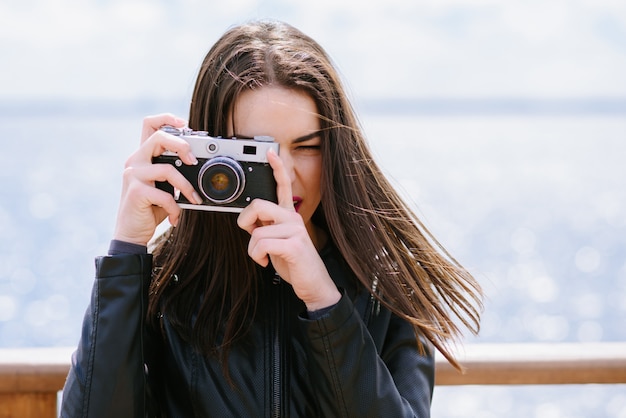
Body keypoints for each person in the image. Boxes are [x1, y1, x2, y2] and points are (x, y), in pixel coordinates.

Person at [61, 19, 482, 417]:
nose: (284, 175)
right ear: (211, 152)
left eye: (307, 147)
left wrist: (324, 300)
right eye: (257, 152)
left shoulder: (386, 284)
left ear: (336, 149)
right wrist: (126, 252)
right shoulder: (168, 281)